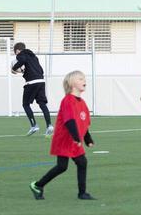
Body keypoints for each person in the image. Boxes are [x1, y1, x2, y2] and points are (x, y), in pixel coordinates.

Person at [30, 70, 95, 201]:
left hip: (74, 140)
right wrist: (76, 137)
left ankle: (82, 193)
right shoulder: (67, 100)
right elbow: (69, 121)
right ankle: (37, 185)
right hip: (64, 140)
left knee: (82, 162)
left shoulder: (82, 103)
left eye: (84, 78)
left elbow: (82, 122)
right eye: (80, 79)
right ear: (71, 83)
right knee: (62, 166)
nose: (84, 81)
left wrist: (87, 138)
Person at [11, 42, 53, 137]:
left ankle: (34, 125)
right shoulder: (34, 57)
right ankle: (49, 125)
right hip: (41, 81)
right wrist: (25, 71)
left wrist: (14, 68)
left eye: (15, 52)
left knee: (25, 104)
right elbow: (41, 70)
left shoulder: (21, 55)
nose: (16, 54)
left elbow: (22, 60)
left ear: (17, 50)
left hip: (31, 82)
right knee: (42, 103)